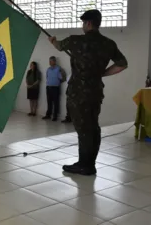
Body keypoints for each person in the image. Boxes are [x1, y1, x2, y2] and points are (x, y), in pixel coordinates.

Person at [49, 9, 127, 176]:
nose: (82, 26)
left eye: (83, 23)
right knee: (93, 126)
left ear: (88, 23)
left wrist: (53, 41)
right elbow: (122, 64)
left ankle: (85, 165)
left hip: (78, 93)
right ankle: (88, 162)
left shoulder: (75, 41)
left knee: (83, 129)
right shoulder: (109, 43)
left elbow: (59, 46)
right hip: (96, 91)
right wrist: (102, 73)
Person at [43, 56, 66, 121]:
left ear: (54, 61)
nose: (50, 62)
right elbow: (47, 77)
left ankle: (55, 116)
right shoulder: (48, 69)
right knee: (49, 102)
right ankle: (48, 115)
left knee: (56, 102)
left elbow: (63, 78)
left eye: (51, 61)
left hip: (55, 88)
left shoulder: (59, 69)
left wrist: (57, 82)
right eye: (49, 61)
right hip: (48, 87)